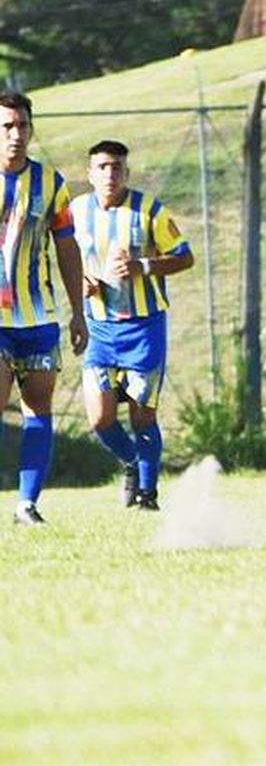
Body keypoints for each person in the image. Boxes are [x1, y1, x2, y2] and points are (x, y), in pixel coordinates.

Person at [71, 141, 194, 511]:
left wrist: (142, 267)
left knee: (143, 414)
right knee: (100, 418)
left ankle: (148, 494)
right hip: (100, 328)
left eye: (117, 167)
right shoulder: (76, 211)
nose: (110, 174)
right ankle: (131, 462)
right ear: (90, 173)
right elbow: (60, 258)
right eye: (103, 167)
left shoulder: (149, 210)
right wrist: (80, 283)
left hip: (144, 327)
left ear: (127, 172)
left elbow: (185, 257)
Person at [0, 91, 87, 526]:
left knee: (38, 407)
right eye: (7, 126)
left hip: (38, 319)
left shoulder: (51, 184)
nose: (16, 135)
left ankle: (26, 505)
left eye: (23, 126)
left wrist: (79, 311)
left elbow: (67, 248)